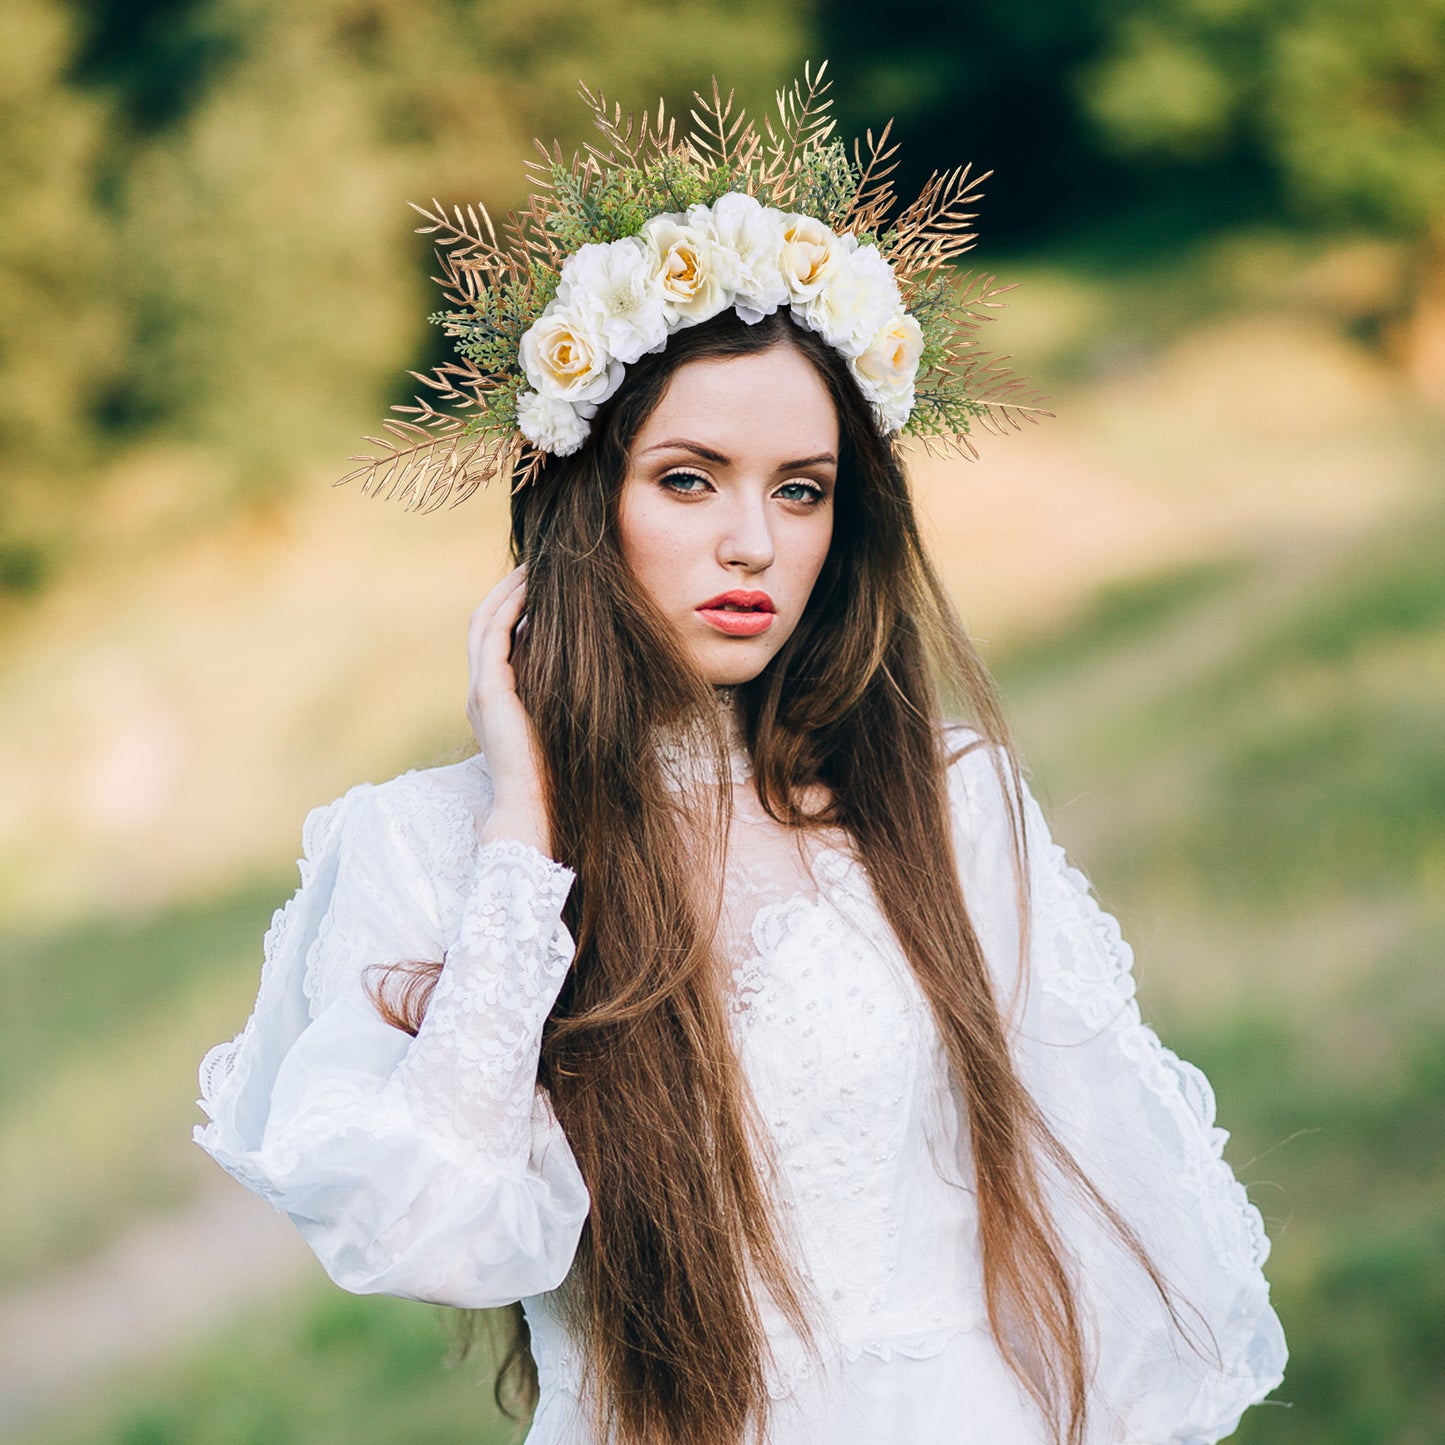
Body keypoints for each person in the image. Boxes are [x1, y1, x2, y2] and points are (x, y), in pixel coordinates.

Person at [194, 71, 1286, 1445]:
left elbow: (1087, 1230)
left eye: (802, 489)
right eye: (689, 478)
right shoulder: (426, 845)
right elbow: (436, 1229)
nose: (754, 544)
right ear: (583, 499)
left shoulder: (946, 802)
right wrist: (521, 841)